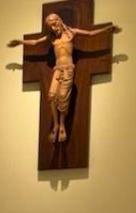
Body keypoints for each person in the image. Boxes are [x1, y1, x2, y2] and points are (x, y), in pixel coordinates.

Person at [8, 13, 121, 143]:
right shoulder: (51, 38)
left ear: (60, 20)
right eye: (50, 25)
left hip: (68, 68)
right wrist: (20, 42)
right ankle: (55, 125)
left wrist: (107, 29)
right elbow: (35, 42)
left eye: (55, 22)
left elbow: (90, 34)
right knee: (51, 96)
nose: (54, 26)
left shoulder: (71, 33)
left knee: (62, 97)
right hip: (57, 68)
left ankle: (62, 125)